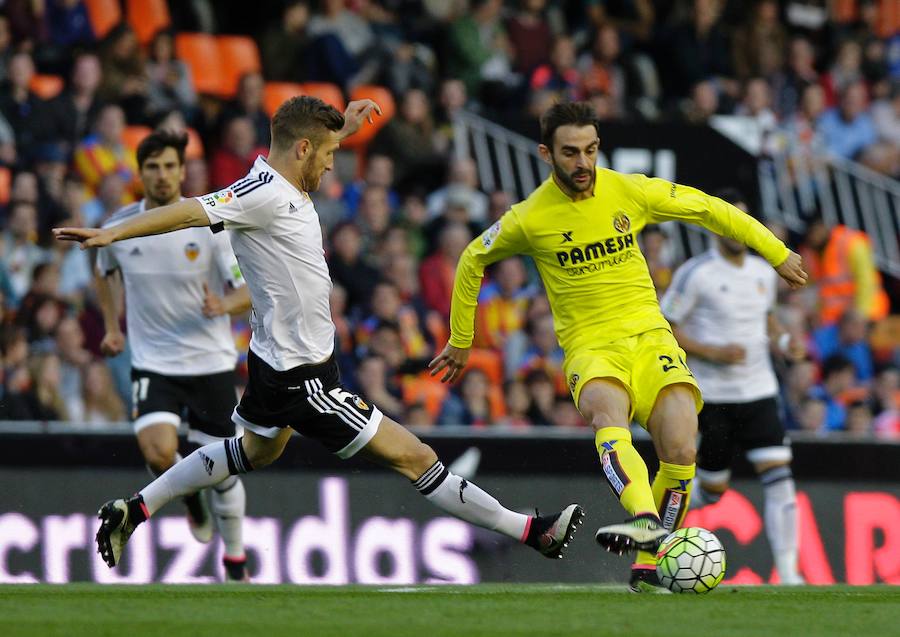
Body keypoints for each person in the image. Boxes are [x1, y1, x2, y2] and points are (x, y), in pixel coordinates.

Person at [55, 96, 583, 575]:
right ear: (302, 148)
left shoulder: (285, 180)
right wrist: (112, 232)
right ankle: (533, 532)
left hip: (273, 362)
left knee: (254, 453)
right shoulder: (259, 193)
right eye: (328, 154)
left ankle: (135, 508)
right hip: (302, 378)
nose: (333, 166)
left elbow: (301, 153)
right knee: (417, 458)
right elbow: (191, 210)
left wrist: (344, 129)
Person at [429, 101, 807, 592]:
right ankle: (647, 520)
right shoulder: (529, 218)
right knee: (610, 418)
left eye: (590, 150)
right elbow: (471, 258)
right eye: (570, 152)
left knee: (681, 448)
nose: (583, 162)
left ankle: (648, 563)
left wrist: (776, 253)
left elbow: (709, 208)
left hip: (651, 337)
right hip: (591, 347)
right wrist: (462, 340)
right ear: (547, 153)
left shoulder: (628, 190)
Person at [91, 130, 252, 582]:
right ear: (139, 173)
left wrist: (225, 304)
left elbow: (247, 288)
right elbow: (103, 271)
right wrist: (109, 325)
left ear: (183, 171)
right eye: (152, 167)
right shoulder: (121, 226)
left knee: (222, 470)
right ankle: (189, 497)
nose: (161, 175)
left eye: (169, 166)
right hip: (153, 362)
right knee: (159, 451)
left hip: (210, 363)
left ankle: (235, 560)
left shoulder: (209, 223)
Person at [659, 188, 805, 586]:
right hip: (714, 398)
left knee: (779, 476)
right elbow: (665, 327)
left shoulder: (762, 272)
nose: (737, 230)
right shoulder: (696, 273)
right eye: (729, 220)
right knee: (713, 488)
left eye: (743, 220)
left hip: (759, 392)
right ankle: (655, 533)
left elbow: (768, 321)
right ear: (714, 225)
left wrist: (783, 342)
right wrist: (711, 351)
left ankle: (790, 574)